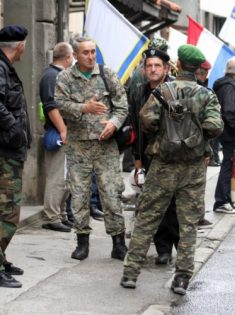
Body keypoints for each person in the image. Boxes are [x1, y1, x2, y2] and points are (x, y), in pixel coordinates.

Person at [120, 44, 223, 295]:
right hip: (193, 168)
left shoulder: (163, 91)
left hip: (163, 165)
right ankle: (182, 279)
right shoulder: (206, 94)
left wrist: (166, 131)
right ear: (197, 67)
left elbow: (147, 121)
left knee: (146, 218)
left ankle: (131, 273)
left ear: (177, 63)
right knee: (188, 224)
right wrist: (195, 133)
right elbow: (215, 126)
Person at [55, 37, 128, 261]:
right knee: (79, 195)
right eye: (85, 52)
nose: (91, 56)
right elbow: (59, 104)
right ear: (75, 55)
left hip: (105, 146)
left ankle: (118, 242)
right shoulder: (65, 77)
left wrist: (114, 123)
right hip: (78, 146)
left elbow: (122, 104)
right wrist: (84, 108)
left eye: (93, 51)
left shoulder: (107, 74)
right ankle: (82, 242)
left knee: (112, 194)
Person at [128, 47, 179, 265]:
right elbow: (135, 128)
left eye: (157, 65)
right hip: (150, 155)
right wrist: (138, 161)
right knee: (155, 203)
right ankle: (163, 249)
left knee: (174, 204)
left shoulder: (177, 89)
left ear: (166, 68)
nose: (153, 69)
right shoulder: (138, 91)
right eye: (149, 65)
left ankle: (180, 247)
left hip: (175, 156)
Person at [0, 25, 31, 288]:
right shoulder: (0, 68)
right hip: (5, 153)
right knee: (7, 213)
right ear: (20, 46)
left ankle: (1, 258)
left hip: (10, 151)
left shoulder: (5, 68)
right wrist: (13, 127)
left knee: (6, 211)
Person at [39, 42, 74, 233]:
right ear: (68, 57)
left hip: (63, 132)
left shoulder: (54, 74)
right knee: (57, 177)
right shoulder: (52, 76)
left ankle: (60, 214)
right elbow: (51, 106)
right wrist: (63, 130)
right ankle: (51, 216)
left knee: (65, 178)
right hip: (59, 133)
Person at [212, 56, 235, 214]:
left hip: (229, 134)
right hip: (231, 135)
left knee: (231, 166)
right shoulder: (228, 87)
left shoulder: (227, 84)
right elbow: (229, 110)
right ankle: (221, 201)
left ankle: (228, 199)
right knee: (228, 166)